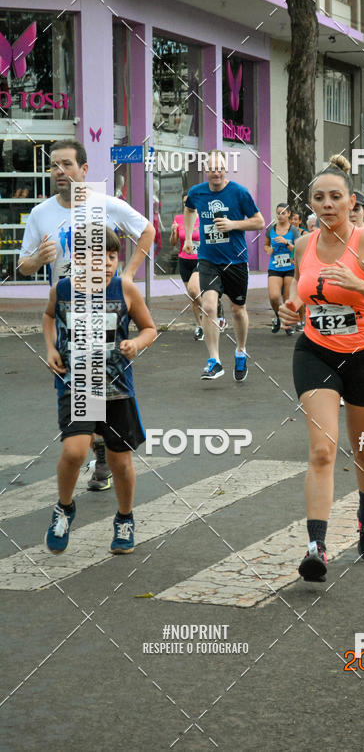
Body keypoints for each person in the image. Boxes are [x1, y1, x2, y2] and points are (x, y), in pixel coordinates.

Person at [279, 155, 364, 582]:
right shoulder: (304, 244)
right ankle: (316, 547)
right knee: (321, 450)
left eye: (336, 197)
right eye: (319, 198)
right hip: (316, 353)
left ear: (351, 202)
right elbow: (311, 291)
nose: (327, 204)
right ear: (311, 204)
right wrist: (293, 308)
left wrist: (361, 286)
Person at [18, 139, 155, 493]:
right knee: (81, 384)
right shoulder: (40, 213)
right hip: (67, 311)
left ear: (84, 170)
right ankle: (96, 452)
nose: (59, 172)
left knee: (105, 385)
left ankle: (103, 455)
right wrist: (37, 260)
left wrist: (127, 275)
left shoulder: (105, 204)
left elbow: (147, 231)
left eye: (66, 164)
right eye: (54, 166)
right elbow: (24, 263)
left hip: (107, 310)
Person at [43, 226, 157, 555]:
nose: (107, 262)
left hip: (117, 388)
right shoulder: (62, 290)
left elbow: (149, 328)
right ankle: (64, 508)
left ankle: (124, 518)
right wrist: (50, 349)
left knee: (121, 464)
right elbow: (48, 317)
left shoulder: (126, 290)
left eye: (112, 256)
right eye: (99, 256)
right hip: (76, 385)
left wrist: (136, 342)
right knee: (75, 452)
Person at [184, 150, 265, 381]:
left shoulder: (239, 193)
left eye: (220, 168)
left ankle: (241, 350)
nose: (216, 173)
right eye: (211, 169)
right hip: (208, 259)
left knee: (238, 310)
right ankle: (215, 361)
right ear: (206, 170)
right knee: (209, 307)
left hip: (236, 260)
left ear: (225, 169)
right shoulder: (196, 192)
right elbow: (189, 210)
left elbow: (259, 221)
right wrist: (189, 238)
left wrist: (233, 224)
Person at [171, 195, 204, 340]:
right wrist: (173, 232)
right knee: (192, 297)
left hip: (200, 260)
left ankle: (213, 315)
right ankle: (201, 326)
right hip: (184, 260)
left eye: (189, 202)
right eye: (185, 202)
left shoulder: (203, 218)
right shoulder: (178, 218)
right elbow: (173, 243)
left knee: (195, 290)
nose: (187, 204)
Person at [264, 203, 299, 335]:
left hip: (289, 267)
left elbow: (298, 249)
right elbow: (265, 245)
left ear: (289, 214)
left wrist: (286, 243)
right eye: (278, 213)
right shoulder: (271, 229)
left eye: (283, 213)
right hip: (275, 266)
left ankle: (287, 322)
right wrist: (268, 249)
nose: (280, 216)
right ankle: (278, 316)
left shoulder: (293, 230)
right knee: (273, 297)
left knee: (286, 297)